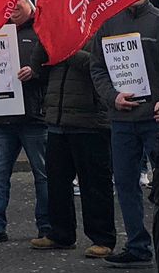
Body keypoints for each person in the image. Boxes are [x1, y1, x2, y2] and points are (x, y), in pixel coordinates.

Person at [89, 0, 159, 273]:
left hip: (156, 119)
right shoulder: (107, 24)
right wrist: (112, 97)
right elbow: (98, 68)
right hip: (122, 120)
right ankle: (137, 246)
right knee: (125, 184)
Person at [0, 0, 50, 245]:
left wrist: (36, 73)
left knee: (43, 175)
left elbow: (55, 67)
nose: (14, 5)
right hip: (1, 118)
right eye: (10, 1)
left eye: (20, 0)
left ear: (31, 3)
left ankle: (47, 227)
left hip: (33, 116)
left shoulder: (42, 31)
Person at [39, 44, 117, 257]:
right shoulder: (58, 35)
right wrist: (45, 42)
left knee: (94, 183)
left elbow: (100, 66)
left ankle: (102, 238)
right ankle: (60, 233)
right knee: (57, 182)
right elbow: (40, 69)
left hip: (89, 120)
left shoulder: (99, 30)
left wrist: (66, 50)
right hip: (57, 118)